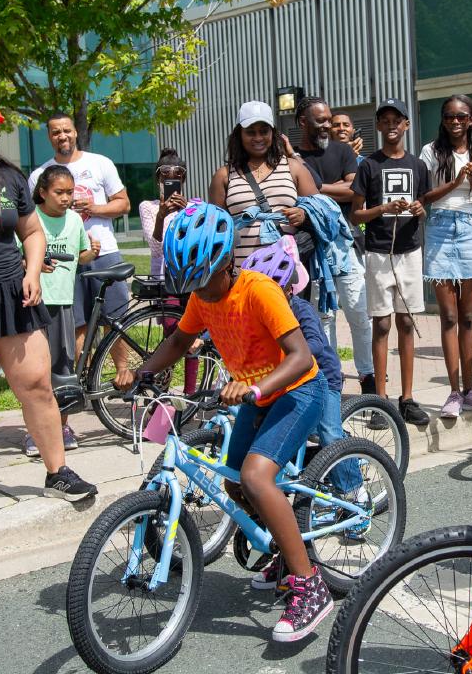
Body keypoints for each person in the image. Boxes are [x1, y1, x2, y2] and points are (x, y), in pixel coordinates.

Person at [139, 202, 331, 642]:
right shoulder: (202, 298)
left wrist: (258, 389)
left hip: (297, 390)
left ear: (227, 261)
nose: (199, 293)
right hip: (255, 394)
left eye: (203, 279)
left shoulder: (258, 290)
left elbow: (301, 357)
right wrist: (143, 371)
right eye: (190, 284)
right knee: (233, 483)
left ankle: (309, 585)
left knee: (256, 477)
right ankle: (287, 549)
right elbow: (178, 340)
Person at [0, 93, 97, 536]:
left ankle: (58, 472)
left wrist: (32, 270)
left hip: (12, 293)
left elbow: (32, 230)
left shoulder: (9, 177)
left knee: (37, 386)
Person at [240, 236, 367, 568]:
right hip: (283, 383)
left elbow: (309, 346)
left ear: (286, 290)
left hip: (319, 378)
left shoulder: (300, 310)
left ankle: (355, 492)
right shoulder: (259, 312)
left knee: (329, 434)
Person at [28, 113, 132, 387]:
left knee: (115, 316)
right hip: (62, 259)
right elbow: (31, 220)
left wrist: (93, 208)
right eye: (55, 132)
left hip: (104, 252)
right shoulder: (40, 175)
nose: (62, 136)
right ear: (49, 137)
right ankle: (83, 380)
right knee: (77, 322)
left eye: (67, 130)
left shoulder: (100, 163)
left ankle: (123, 372)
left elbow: (124, 204)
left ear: (75, 132)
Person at [351, 98, 431, 427]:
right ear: (380, 127)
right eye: (385, 120)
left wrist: (418, 210)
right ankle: (381, 400)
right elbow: (356, 215)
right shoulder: (368, 165)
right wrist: (382, 209)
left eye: (397, 119)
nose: (392, 125)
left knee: (407, 323)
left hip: (410, 250)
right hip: (378, 251)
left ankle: (408, 398)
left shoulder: (418, 166)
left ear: (406, 125)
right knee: (381, 324)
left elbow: (424, 203)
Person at [419, 95, 472, 418]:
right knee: (448, 316)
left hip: (470, 228)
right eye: (449, 116)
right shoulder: (430, 151)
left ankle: (469, 390)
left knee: (467, 317)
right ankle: (453, 392)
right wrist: (457, 180)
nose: (455, 121)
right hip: (438, 226)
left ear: (471, 120)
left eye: (461, 116)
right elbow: (425, 196)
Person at [294, 96, 375, 395]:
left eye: (330, 119)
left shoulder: (342, 151)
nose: (328, 125)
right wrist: (333, 189)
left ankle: (370, 382)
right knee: (323, 318)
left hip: (346, 242)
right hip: (311, 248)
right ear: (303, 122)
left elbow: (355, 192)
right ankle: (332, 385)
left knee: (358, 313)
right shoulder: (292, 157)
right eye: (321, 120)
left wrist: (314, 190)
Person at [22, 165, 100, 456]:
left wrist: (92, 251)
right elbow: (18, 257)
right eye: (59, 192)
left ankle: (62, 425)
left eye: (70, 192)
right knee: (34, 372)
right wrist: (30, 266)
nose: (66, 198)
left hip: (63, 303)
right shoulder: (30, 219)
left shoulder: (75, 219)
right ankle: (34, 433)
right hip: (34, 303)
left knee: (63, 368)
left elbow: (81, 256)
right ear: (43, 192)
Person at [208, 100, 318, 270]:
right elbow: (215, 229)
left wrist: (304, 215)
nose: (258, 138)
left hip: (286, 274)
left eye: (264, 131)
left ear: (273, 133)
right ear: (239, 135)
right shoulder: (223, 176)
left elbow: (321, 211)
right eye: (251, 132)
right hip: (242, 274)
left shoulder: (294, 168)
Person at [139, 148, 202, 394]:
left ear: (184, 179)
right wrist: (162, 215)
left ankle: (189, 394)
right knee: (173, 334)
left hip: (192, 279)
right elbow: (156, 249)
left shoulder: (196, 205)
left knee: (193, 336)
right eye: (165, 174)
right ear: (158, 179)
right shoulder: (149, 207)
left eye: (178, 174)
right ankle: (163, 393)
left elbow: (198, 241)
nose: (171, 178)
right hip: (166, 280)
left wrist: (188, 212)